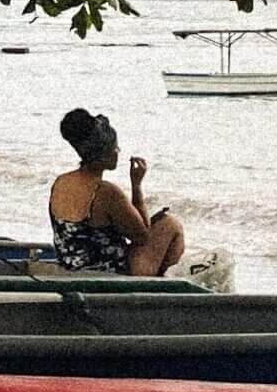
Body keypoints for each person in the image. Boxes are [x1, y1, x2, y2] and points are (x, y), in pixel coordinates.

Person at [48, 107, 188, 277]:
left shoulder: (60, 182)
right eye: (115, 147)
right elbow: (142, 236)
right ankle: (161, 290)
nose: (118, 151)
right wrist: (136, 186)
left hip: (71, 272)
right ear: (103, 155)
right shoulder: (106, 192)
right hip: (109, 276)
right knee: (170, 225)